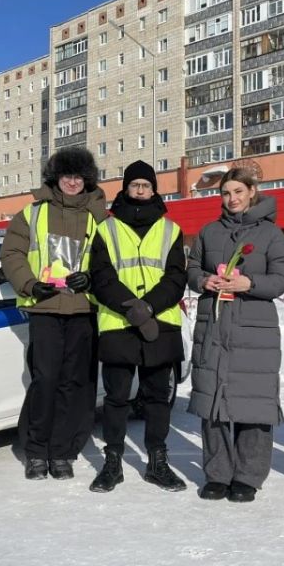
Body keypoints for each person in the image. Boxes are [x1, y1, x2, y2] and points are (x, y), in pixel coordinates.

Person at [0, 147, 107, 480]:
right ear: (55, 177)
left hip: (83, 308)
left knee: (73, 383)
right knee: (45, 380)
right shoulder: (32, 213)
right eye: (66, 176)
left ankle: (62, 452)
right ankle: (36, 451)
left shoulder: (100, 217)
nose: (72, 182)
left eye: (79, 177)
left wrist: (91, 279)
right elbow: (12, 254)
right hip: (45, 307)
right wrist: (30, 285)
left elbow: (111, 260)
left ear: (87, 180)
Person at [186, 167, 284, 503]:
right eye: (226, 193)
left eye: (238, 192)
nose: (231, 199)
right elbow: (192, 268)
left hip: (254, 329)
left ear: (252, 191)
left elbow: (282, 279)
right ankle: (217, 474)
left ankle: (248, 476)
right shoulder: (209, 232)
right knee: (212, 400)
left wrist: (250, 283)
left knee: (254, 404)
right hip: (214, 325)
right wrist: (204, 280)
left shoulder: (271, 234)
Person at [87, 160, 187, 493]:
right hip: (119, 323)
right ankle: (112, 463)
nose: (140, 190)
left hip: (160, 323)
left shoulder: (171, 230)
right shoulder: (106, 229)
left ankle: (157, 462)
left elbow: (176, 277)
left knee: (157, 398)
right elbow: (101, 277)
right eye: (135, 185)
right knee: (116, 398)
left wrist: (149, 307)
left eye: (146, 185)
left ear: (154, 189)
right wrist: (133, 309)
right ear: (126, 188)